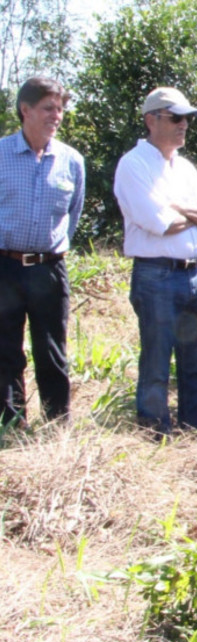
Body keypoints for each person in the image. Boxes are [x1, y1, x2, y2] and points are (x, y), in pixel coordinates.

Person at [115, 87, 197, 435]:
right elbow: (158, 223)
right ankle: (155, 433)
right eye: (176, 117)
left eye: (188, 119)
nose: (184, 125)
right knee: (156, 364)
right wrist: (195, 214)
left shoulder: (185, 168)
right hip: (157, 276)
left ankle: (196, 427)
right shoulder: (133, 166)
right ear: (152, 120)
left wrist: (180, 208)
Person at [0, 77, 85, 426]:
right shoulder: (1, 154)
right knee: (5, 349)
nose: (57, 115)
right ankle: (11, 420)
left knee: (52, 350)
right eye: (49, 108)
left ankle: (55, 424)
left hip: (49, 268)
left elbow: (73, 215)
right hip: (5, 266)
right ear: (25, 110)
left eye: (60, 109)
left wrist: (54, 253)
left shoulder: (71, 161)